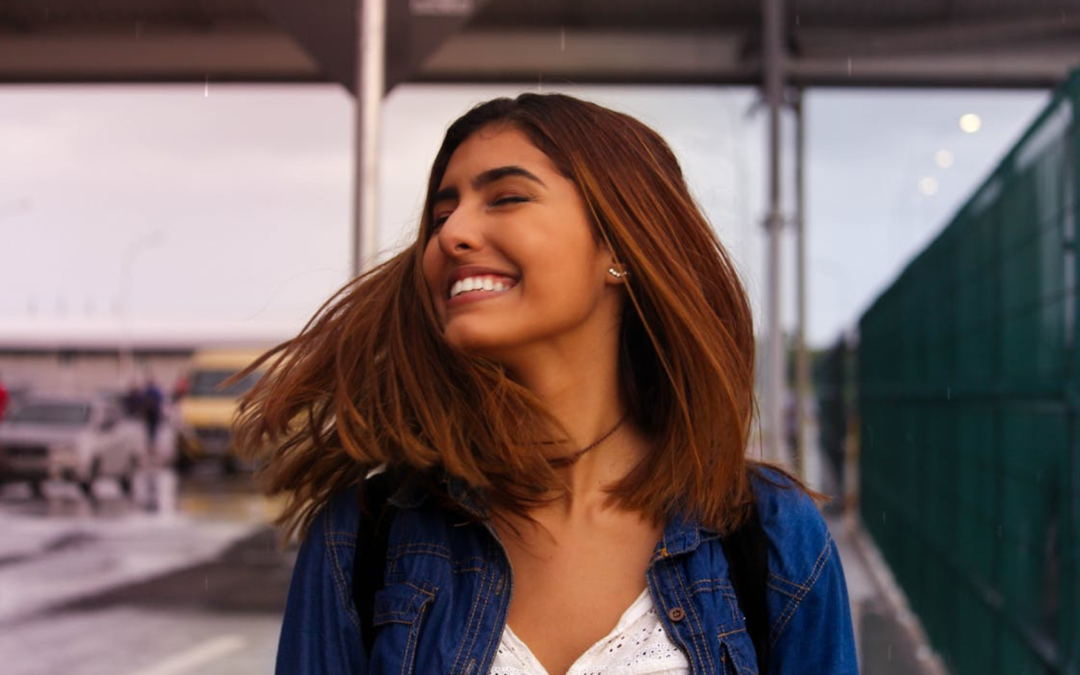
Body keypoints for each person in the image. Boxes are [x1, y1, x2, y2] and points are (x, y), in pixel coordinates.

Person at [234, 93, 857, 675]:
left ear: (620, 246)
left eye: (505, 198)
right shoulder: (362, 538)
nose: (450, 234)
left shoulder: (768, 536)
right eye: (442, 211)